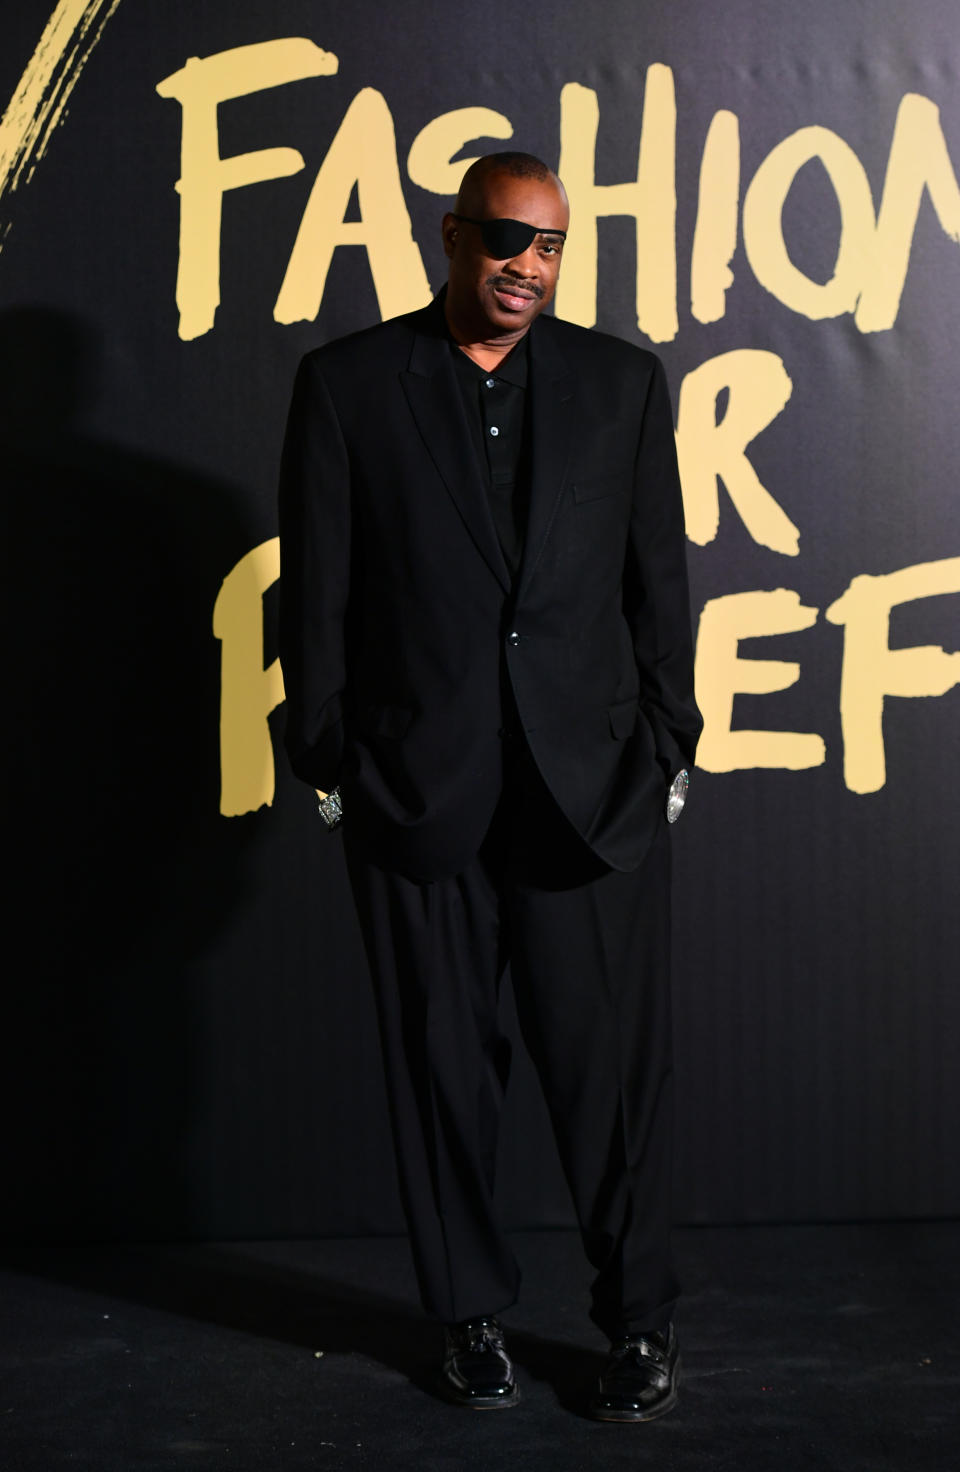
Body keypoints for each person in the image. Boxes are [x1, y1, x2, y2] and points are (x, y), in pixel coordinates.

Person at [278, 152, 702, 1422]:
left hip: (589, 793)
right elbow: (317, 593)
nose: (530, 263)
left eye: (553, 246)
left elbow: (656, 584)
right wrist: (337, 757)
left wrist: (667, 748)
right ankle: (469, 1317)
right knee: (441, 1070)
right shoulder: (349, 384)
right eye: (508, 238)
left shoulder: (622, 382)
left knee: (611, 1080)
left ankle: (638, 1323)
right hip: (421, 788)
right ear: (454, 235)